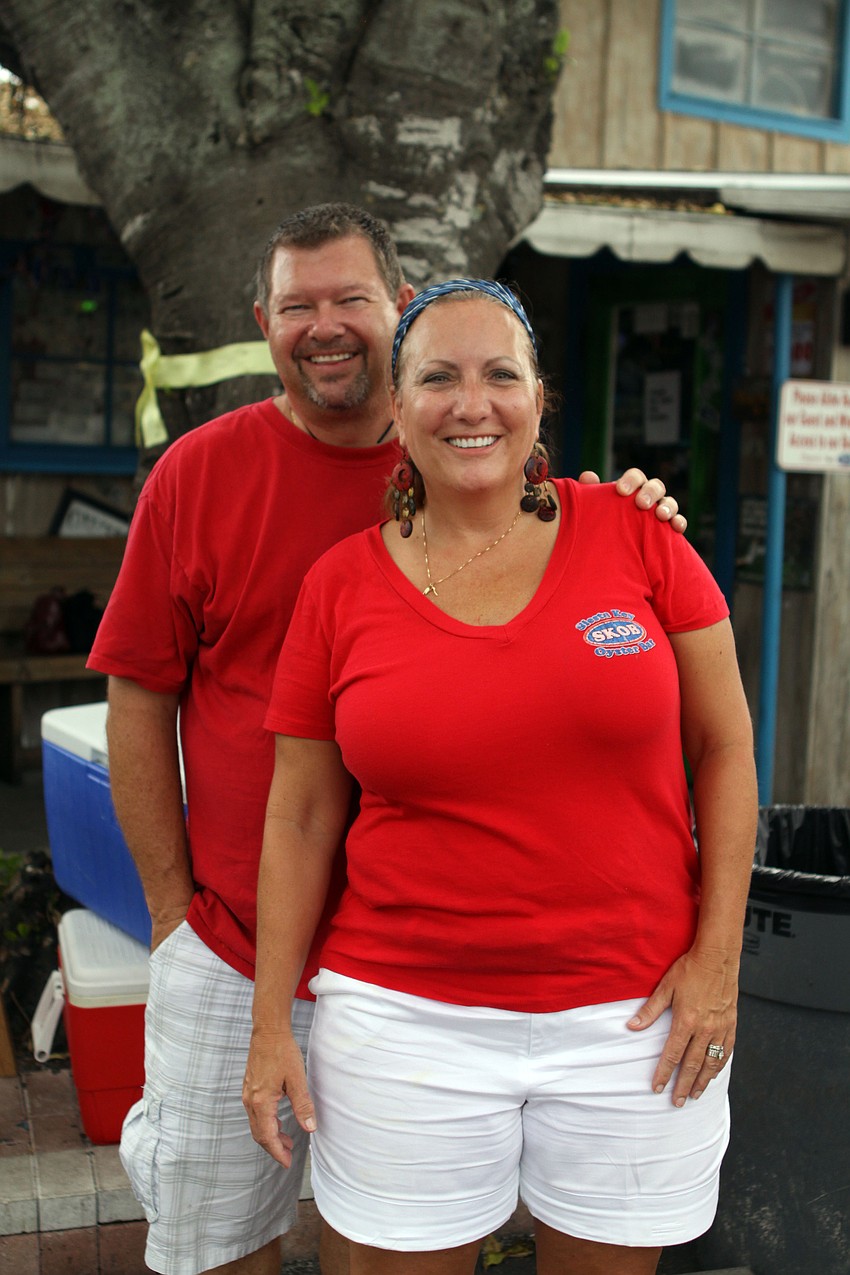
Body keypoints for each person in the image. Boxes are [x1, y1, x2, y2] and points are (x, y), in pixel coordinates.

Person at [88, 205, 685, 1275]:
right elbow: (138, 701)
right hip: (239, 945)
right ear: (262, 324)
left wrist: (636, 506)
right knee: (213, 1242)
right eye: (296, 306)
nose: (324, 326)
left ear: (398, 309)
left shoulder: (484, 459)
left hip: (431, 975)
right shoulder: (197, 474)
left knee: (377, 1240)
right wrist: (174, 917)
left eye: (351, 299)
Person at [244, 278, 758, 1275]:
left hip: (635, 1021)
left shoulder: (638, 534)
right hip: (403, 1026)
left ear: (538, 400)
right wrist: (271, 1025)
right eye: (438, 377)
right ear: (398, 411)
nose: (471, 404)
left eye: (500, 376)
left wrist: (719, 961)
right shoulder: (339, 586)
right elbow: (299, 816)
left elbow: (727, 750)